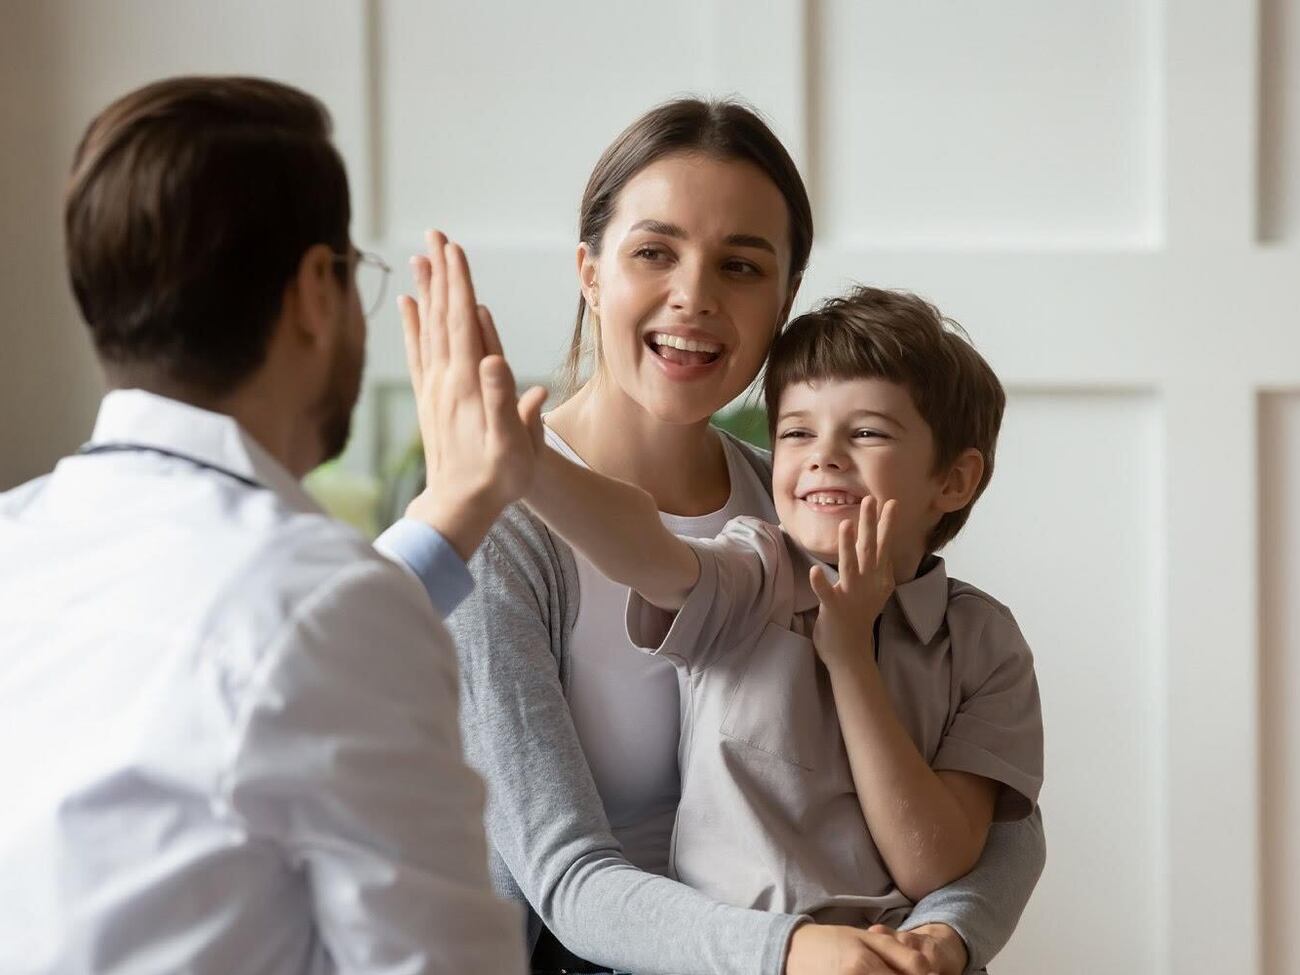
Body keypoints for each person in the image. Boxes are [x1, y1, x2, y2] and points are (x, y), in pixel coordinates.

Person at [425, 98, 1047, 975]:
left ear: (785, 299)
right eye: (655, 252)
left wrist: (945, 933)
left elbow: (987, 813)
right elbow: (564, 875)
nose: (696, 297)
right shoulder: (498, 531)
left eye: (741, 266)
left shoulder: (800, 499)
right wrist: (791, 951)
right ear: (590, 272)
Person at [0, 76, 544, 974]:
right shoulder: (325, 605)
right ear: (314, 292)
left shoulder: (17, 540)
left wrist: (458, 506)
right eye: (352, 271)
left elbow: (249, 660)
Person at [519, 284, 1044, 931]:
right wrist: (527, 464)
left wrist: (850, 659)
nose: (823, 456)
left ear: (953, 480)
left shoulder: (986, 644)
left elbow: (931, 863)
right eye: (797, 432)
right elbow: (649, 555)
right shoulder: (755, 570)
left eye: (867, 432)